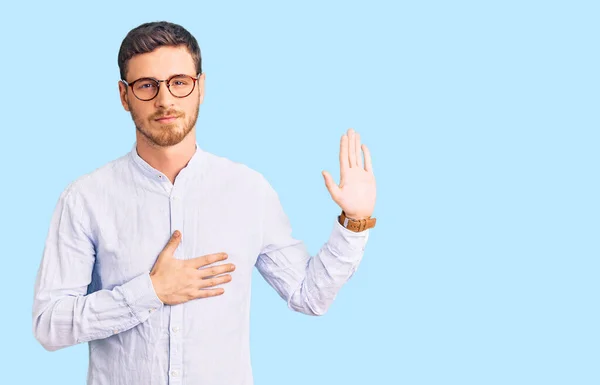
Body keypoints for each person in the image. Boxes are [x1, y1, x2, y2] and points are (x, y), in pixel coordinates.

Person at [32, 21, 377, 385]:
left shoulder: (248, 191)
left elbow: (309, 296)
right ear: (123, 95)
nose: (165, 100)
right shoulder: (86, 198)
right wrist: (149, 292)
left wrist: (354, 222)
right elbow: (49, 325)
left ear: (201, 88)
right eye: (147, 85)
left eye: (179, 82)